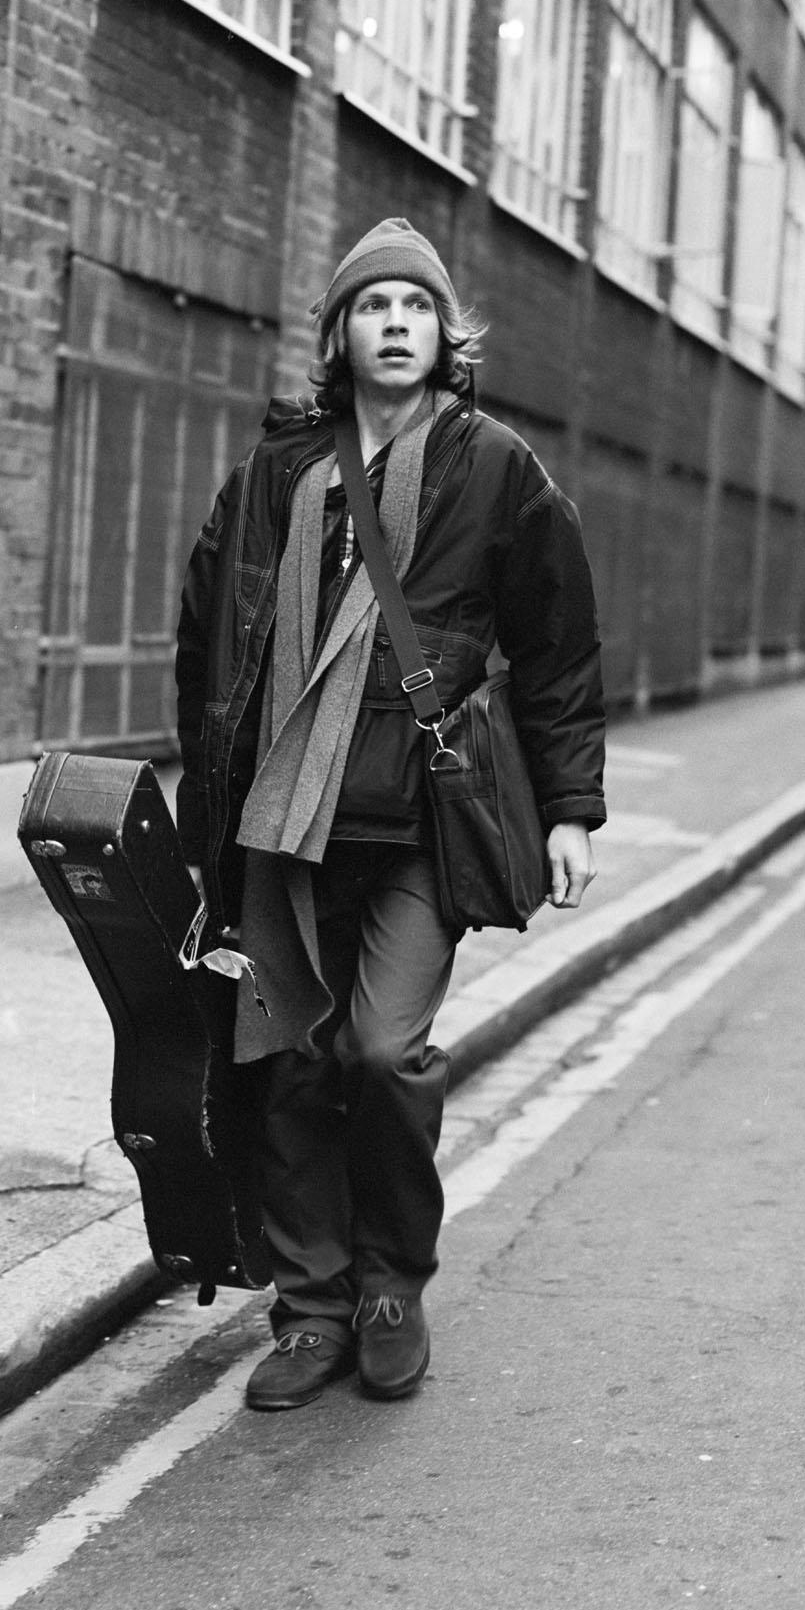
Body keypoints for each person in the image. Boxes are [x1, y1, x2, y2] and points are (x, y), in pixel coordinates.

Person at [175, 217, 606, 1410]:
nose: (398, 324)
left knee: (380, 1051)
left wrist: (572, 809)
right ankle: (310, 1310)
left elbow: (558, 644)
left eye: (417, 306)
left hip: (420, 814)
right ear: (340, 334)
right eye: (375, 307)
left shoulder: (494, 465)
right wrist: (207, 800)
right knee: (293, 1064)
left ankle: (389, 1286)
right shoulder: (276, 471)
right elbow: (209, 634)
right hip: (285, 819)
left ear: (445, 331)